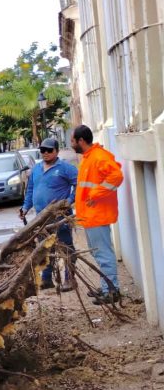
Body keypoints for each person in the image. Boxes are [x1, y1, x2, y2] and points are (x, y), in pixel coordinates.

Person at [71, 125, 124, 304]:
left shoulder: (98, 157)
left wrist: (95, 195)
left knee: (103, 253)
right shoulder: (89, 157)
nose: (71, 144)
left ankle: (112, 290)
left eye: (73, 141)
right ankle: (106, 286)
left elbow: (116, 177)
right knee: (98, 254)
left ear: (81, 141)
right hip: (90, 216)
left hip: (97, 215)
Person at [19, 137, 78, 290]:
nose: (45, 153)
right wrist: (25, 208)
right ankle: (46, 279)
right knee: (45, 248)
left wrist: (70, 200)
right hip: (41, 218)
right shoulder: (37, 169)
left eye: (49, 150)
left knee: (66, 247)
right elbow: (31, 190)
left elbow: (79, 184)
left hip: (60, 216)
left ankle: (69, 279)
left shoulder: (65, 168)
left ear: (57, 151)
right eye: (42, 150)